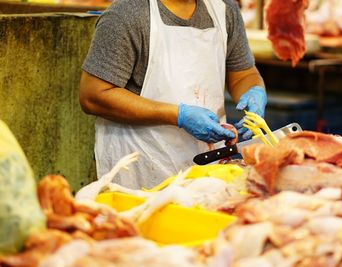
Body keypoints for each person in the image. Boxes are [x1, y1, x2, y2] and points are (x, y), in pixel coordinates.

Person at [79, 0, 267, 189]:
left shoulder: (224, 10)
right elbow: (93, 96)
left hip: (209, 172)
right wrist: (179, 115)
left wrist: (253, 91)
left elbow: (243, 75)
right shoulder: (127, 15)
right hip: (142, 171)